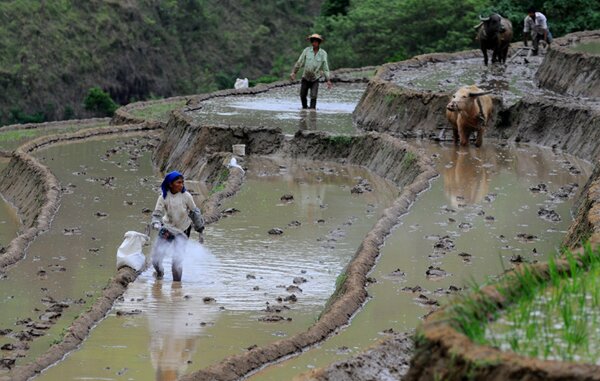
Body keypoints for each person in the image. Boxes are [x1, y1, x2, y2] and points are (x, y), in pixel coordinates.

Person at [151, 171, 205, 281]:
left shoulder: (186, 196)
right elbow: (157, 213)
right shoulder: (163, 197)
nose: (181, 185)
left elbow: (195, 212)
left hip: (183, 230)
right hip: (167, 228)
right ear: (170, 184)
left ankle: (176, 288)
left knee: (177, 261)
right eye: (178, 183)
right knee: (156, 259)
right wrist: (156, 223)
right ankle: (160, 273)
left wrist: (200, 230)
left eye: (182, 182)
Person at [290, 33, 333, 109]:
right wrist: (294, 72)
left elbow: (325, 67)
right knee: (302, 95)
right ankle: (304, 109)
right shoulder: (306, 51)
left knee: (313, 96)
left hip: (315, 78)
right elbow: (300, 62)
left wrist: (328, 80)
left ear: (319, 43)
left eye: (316, 42)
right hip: (305, 77)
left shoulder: (323, 54)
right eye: (313, 41)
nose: (314, 43)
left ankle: (313, 112)